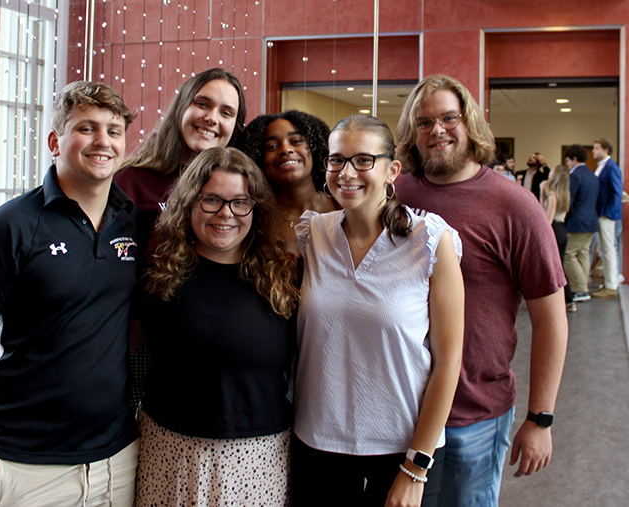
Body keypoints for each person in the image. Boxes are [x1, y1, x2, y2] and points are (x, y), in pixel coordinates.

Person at [0, 81, 140, 506]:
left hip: (118, 461)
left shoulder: (132, 224)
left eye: (114, 130)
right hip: (26, 468)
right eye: (86, 128)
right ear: (55, 141)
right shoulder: (9, 228)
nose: (103, 141)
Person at [394, 74, 568, 507]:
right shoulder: (394, 195)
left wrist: (540, 418)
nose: (437, 130)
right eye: (424, 122)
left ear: (469, 123)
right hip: (398, 413)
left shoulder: (515, 206)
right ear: (411, 134)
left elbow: (550, 318)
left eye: (448, 118)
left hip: (472, 418)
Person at [291, 114, 464, 507]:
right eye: (336, 160)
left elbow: (448, 362)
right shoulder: (312, 233)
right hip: (318, 446)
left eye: (363, 160)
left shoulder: (431, 241)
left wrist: (416, 467)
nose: (346, 172)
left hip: (401, 451)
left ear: (392, 170)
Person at [133, 147, 299, 506]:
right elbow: (127, 360)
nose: (226, 214)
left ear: (255, 209)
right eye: (211, 200)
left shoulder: (282, 277)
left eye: (240, 202)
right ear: (190, 202)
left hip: (261, 457)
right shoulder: (157, 274)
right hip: (170, 451)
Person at [114, 67, 246, 252]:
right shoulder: (130, 180)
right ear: (180, 108)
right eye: (202, 104)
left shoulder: (240, 187)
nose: (211, 118)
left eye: (226, 113)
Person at [241, 110, 338, 253]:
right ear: (259, 159)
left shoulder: (342, 207)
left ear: (314, 147)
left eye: (296, 141)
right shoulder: (253, 216)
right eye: (272, 146)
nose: (285, 150)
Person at [563, 144, 600, 302]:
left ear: (574, 159)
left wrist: (564, 217)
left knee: (567, 254)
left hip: (577, 222)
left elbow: (569, 201)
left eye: (568, 161)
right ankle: (582, 287)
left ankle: (580, 288)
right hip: (591, 221)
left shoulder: (575, 176)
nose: (567, 164)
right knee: (584, 254)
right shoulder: (592, 175)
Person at [591, 138, 623, 298]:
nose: (593, 151)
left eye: (596, 148)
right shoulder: (602, 167)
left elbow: (617, 192)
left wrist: (607, 213)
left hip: (607, 216)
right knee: (604, 249)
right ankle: (609, 283)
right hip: (601, 214)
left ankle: (611, 286)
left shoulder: (611, 167)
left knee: (608, 249)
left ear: (606, 150)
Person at [541, 165, 575, 312]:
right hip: (562, 230)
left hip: (554, 229)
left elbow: (549, 217)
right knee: (559, 266)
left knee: (554, 267)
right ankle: (567, 299)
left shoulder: (552, 194)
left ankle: (565, 298)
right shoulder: (564, 194)